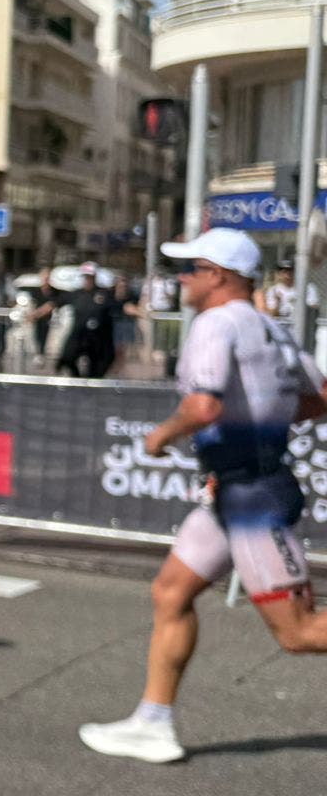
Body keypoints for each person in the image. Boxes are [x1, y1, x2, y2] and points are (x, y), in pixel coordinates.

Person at [79, 228, 327, 764]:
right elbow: (321, 396)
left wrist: (161, 435)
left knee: (300, 633)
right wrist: (264, 421)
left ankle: (152, 722)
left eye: (189, 269)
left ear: (217, 275)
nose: (181, 279)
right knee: (170, 593)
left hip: (252, 497)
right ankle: (152, 723)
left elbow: (204, 406)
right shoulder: (271, 327)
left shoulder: (215, 323)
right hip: (235, 489)